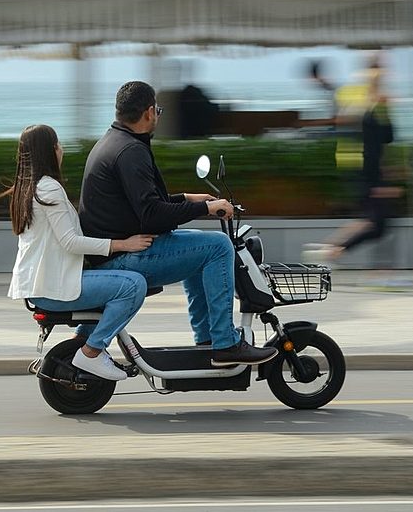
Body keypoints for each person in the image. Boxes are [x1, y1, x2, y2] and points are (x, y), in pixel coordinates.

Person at [78, 81, 278, 368]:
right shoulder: (131, 151)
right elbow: (152, 215)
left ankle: (208, 338)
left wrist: (186, 198)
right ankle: (225, 343)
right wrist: (206, 208)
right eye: (157, 110)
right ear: (148, 112)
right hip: (125, 259)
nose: (157, 115)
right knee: (219, 246)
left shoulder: (112, 142)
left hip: (115, 253)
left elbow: (139, 204)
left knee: (198, 245)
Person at [2, 124, 155, 381]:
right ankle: (92, 352)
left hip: (41, 286)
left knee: (114, 282)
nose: (62, 149)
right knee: (133, 285)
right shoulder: (49, 188)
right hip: (53, 288)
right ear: (49, 151)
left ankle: (78, 346)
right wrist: (122, 244)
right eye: (58, 144)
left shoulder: (26, 189)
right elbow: (70, 242)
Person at [304, 55, 401, 263]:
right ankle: (334, 252)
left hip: (372, 165)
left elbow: (386, 137)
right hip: (361, 165)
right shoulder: (358, 94)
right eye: (378, 68)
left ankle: (330, 250)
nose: (383, 73)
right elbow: (349, 121)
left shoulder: (380, 99)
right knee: (377, 223)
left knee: (376, 222)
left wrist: (390, 168)